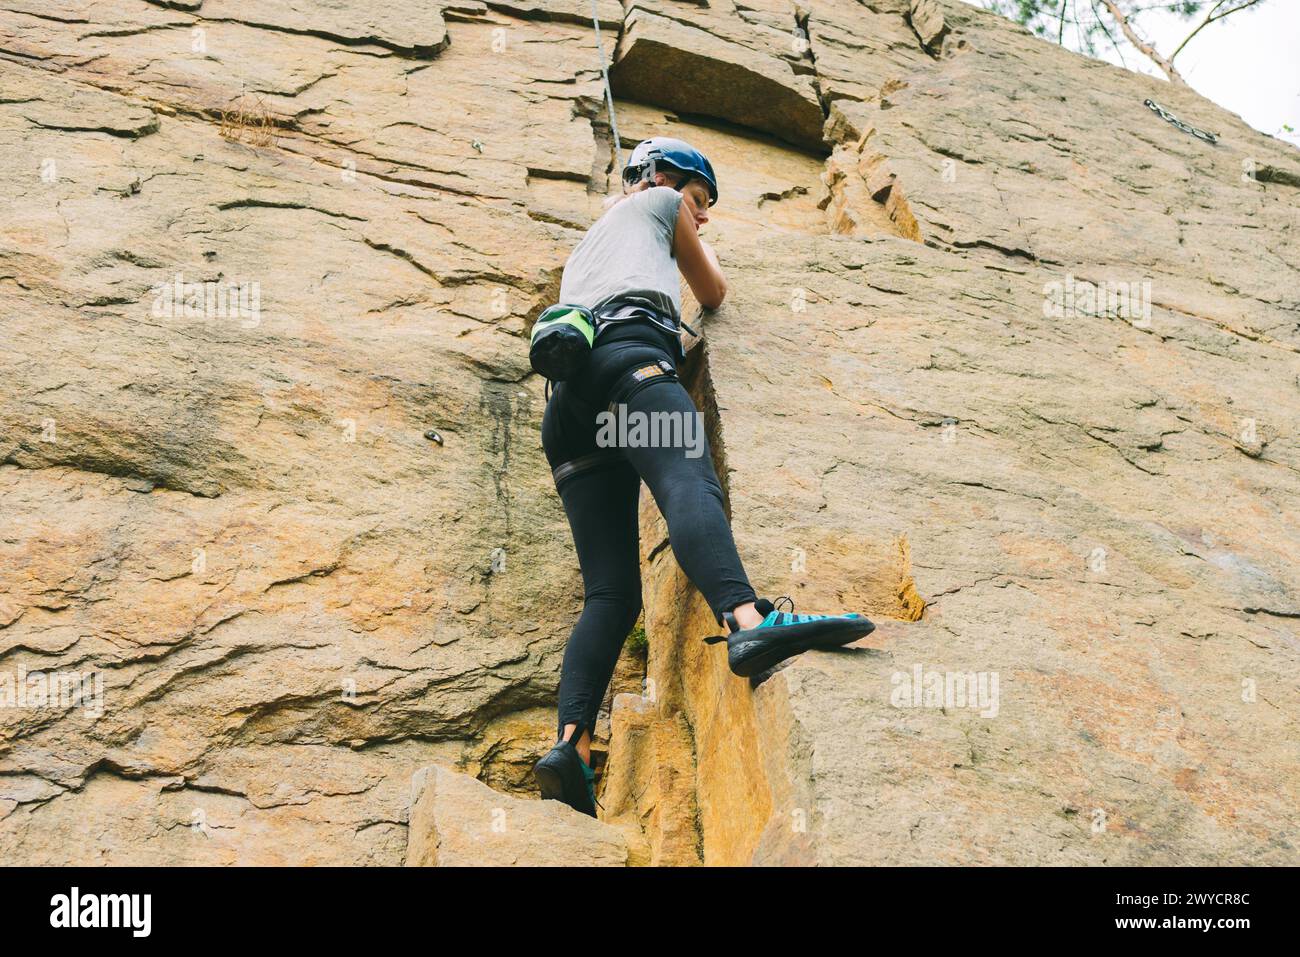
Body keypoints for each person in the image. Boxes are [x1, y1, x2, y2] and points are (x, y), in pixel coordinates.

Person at [532, 137, 875, 817]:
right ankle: (748, 618)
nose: (703, 217)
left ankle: (570, 743)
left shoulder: (590, 245)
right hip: (633, 367)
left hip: (570, 412)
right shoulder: (659, 203)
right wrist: (678, 218)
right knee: (690, 481)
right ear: (662, 180)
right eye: (700, 200)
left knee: (610, 592)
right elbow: (713, 291)